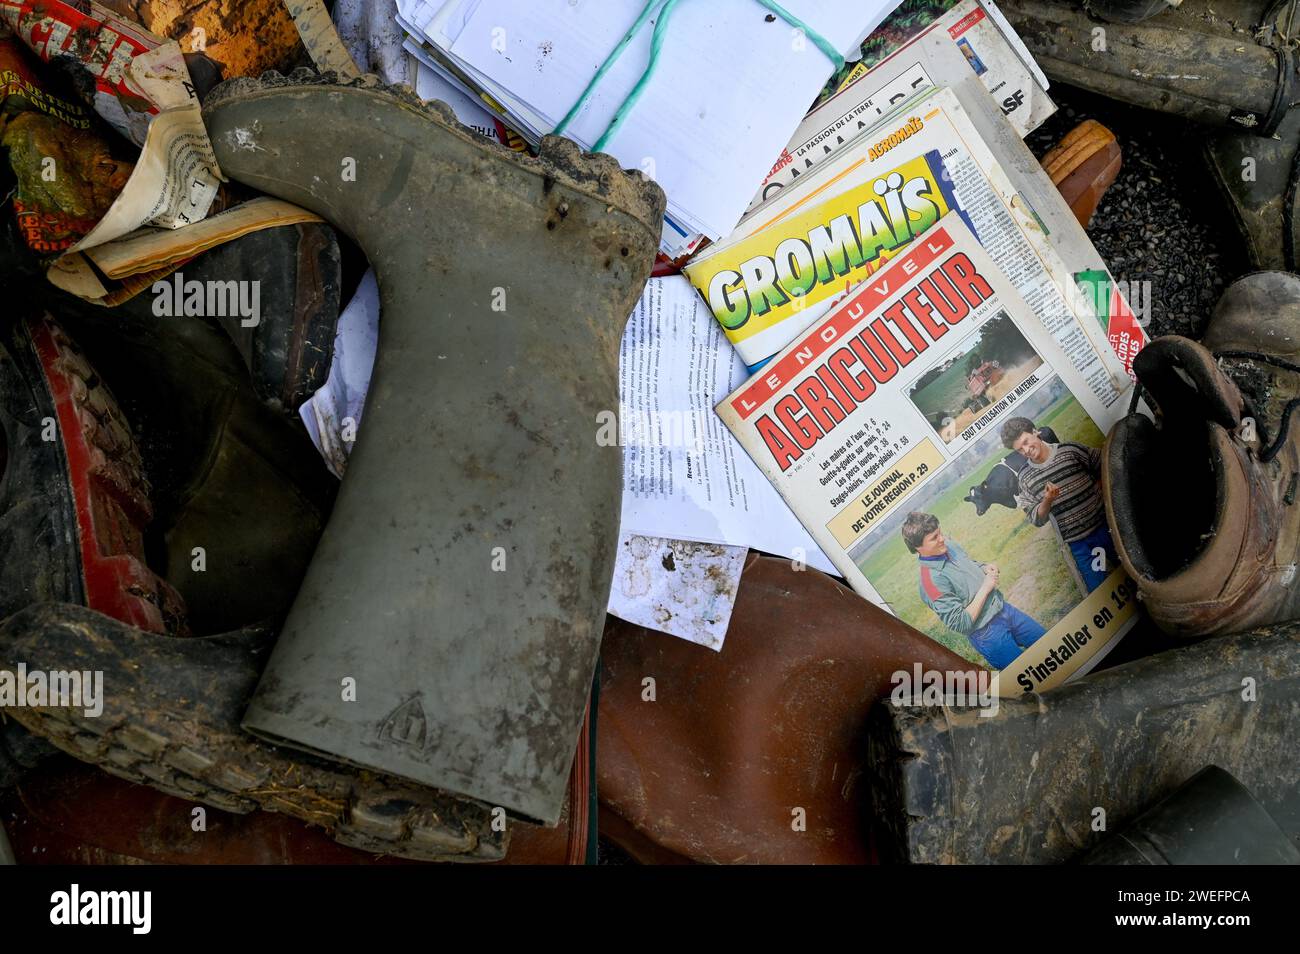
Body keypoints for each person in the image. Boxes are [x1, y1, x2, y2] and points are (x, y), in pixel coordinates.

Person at [901, 511, 1047, 669]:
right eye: (934, 538)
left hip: (1005, 610)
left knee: (1050, 646)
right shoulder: (930, 582)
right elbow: (960, 622)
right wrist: (985, 588)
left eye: (940, 533)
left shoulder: (947, 545)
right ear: (917, 547)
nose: (942, 539)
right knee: (1030, 677)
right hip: (988, 634)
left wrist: (983, 567)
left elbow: (968, 563)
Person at [1000, 416, 1118, 591]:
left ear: (1035, 432)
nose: (1026, 450)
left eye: (1026, 442)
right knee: (1102, 590)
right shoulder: (1024, 479)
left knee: (1136, 571)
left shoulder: (1070, 450)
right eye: (1019, 449)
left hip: (1107, 528)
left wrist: (1101, 494)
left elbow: (1105, 464)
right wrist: (1047, 500)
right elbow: (1036, 519)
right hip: (1081, 545)